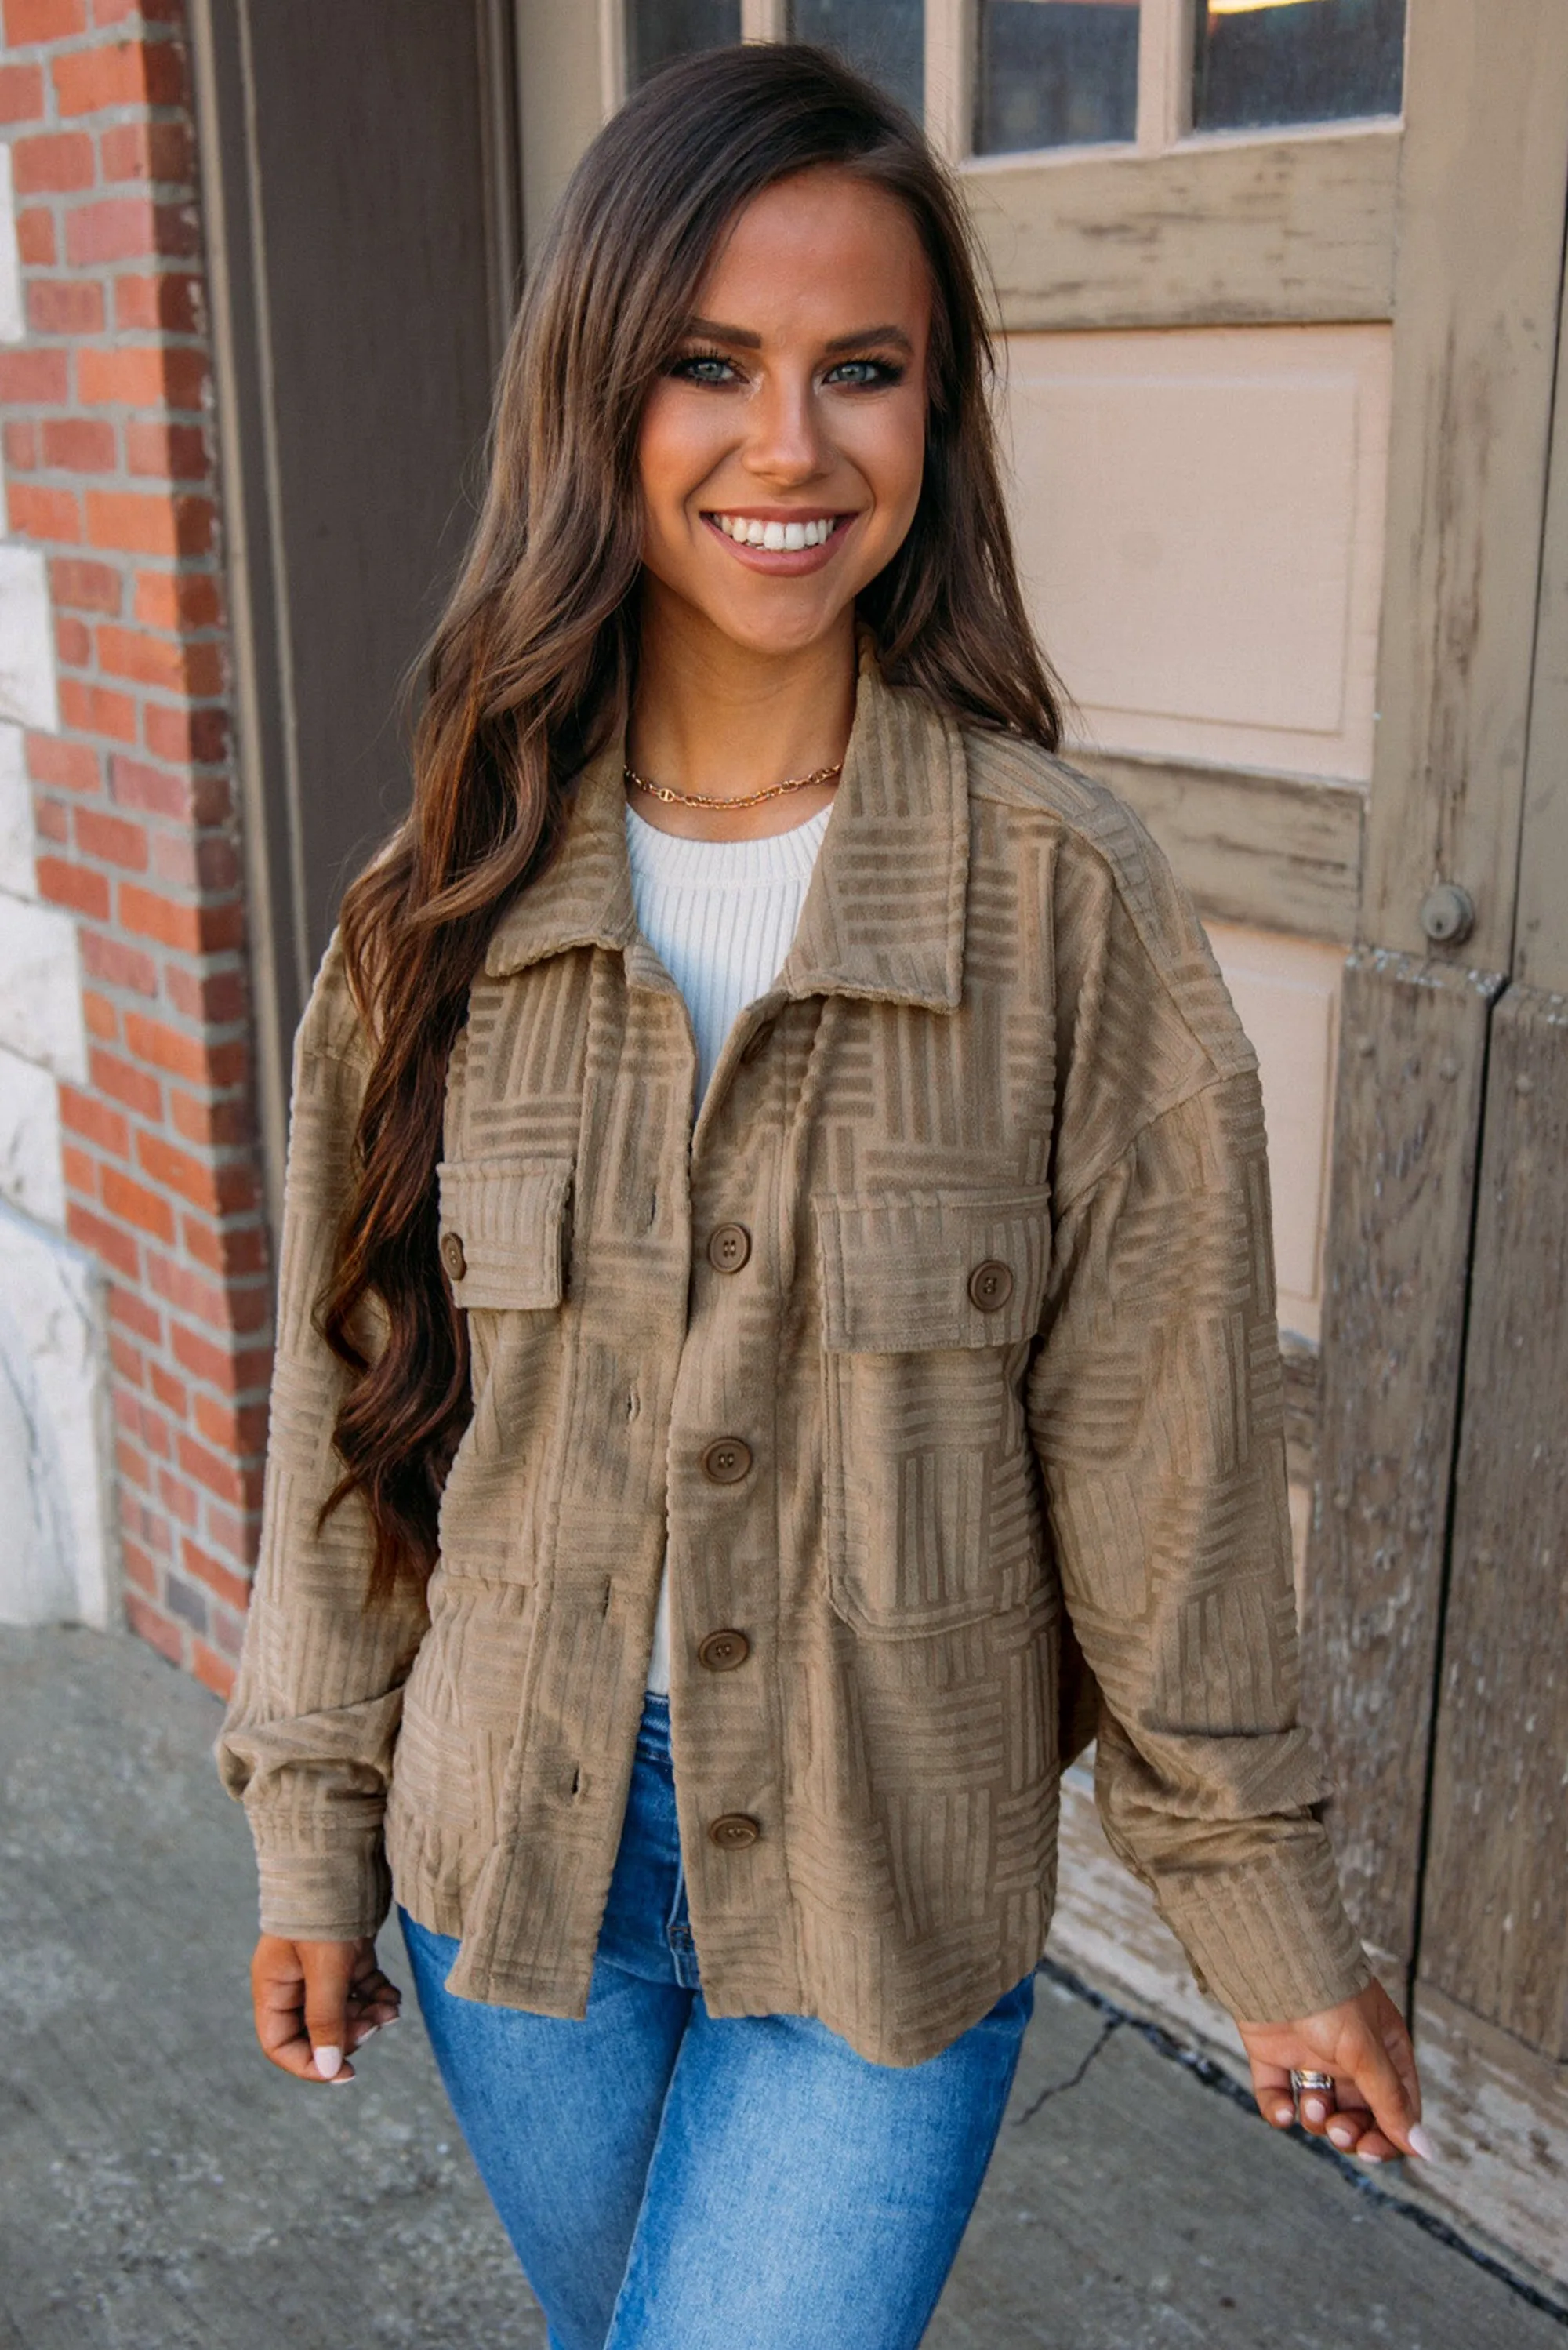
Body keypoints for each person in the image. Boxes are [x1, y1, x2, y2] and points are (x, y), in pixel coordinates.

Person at [219, 42, 1428, 2350]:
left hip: (889, 1877)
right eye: (713, 365)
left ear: (939, 416)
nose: (793, 446)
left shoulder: (1066, 911)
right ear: (601, 400)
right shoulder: (434, 912)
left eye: (861, 369)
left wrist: (1263, 1924)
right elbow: (349, 1412)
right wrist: (312, 1817)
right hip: (514, 1874)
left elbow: (1167, 1474)